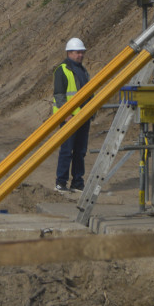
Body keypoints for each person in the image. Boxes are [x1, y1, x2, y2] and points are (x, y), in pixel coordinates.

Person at [53, 37, 91, 194]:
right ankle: (61, 182)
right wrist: (66, 114)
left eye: (82, 52)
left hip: (82, 117)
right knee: (67, 151)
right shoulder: (62, 70)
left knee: (80, 151)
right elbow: (60, 95)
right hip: (69, 118)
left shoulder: (83, 71)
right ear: (69, 53)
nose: (80, 55)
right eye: (77, 52)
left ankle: (77, 182)